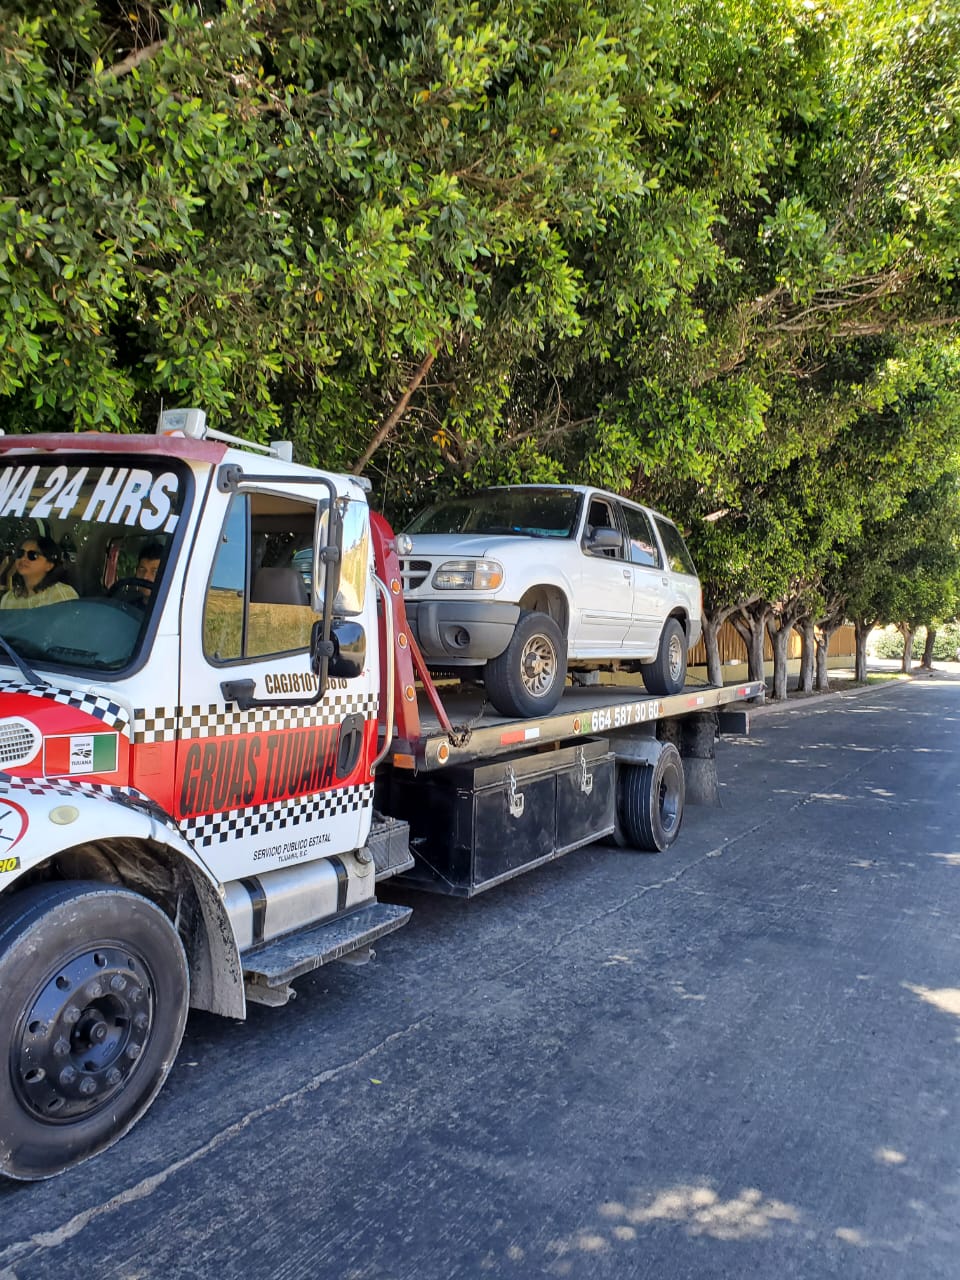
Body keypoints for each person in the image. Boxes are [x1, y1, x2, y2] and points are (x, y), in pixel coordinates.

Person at [0, 537, 78, 610]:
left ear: (49, 565)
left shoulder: (62, 594)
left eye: (33, 555)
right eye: (20, 553)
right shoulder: (8, 598)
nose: (23, 558)